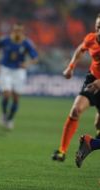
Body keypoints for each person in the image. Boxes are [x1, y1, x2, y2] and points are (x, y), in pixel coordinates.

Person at [52, 13, 100, 162]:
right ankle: (62, 151)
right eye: (98, 26)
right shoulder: (91, 38)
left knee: (98, 124)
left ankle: (91, 144)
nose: (99, 31)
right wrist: (70, 67)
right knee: (76, 110)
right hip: (93, 79)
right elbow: (81, 49)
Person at [0, 23, 38, 129]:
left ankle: (10, 119)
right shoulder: (5, 40)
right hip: (6, 69)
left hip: (19, 71)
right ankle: (3, 114)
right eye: (16, 30)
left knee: (16, 98)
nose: (17, 32)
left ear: (22, 31)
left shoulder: (26, 43)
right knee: (7, 94)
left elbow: (35, 58)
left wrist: (26, 64)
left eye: (20, 30)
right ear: (13, 30)